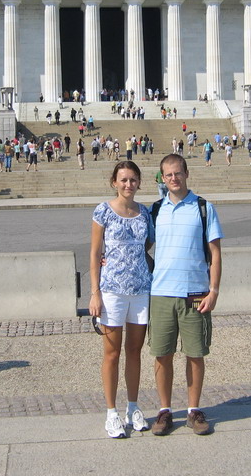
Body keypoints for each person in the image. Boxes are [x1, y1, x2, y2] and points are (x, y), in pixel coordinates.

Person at [148, 154, 223, 436]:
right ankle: (165, 410)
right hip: (162, 293)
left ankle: (193, 410)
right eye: (168, 175)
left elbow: (215, 253)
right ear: (162, 178)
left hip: (195, 293)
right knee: (162, 354)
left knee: (195, 354)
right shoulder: (155, 210)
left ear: (187, 173)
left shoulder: (204, 208)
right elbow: (138, 246)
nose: (173, 179)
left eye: (177, 173)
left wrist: (213, 290)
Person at [89, 161, 154, 438]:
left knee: (135, 352)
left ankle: (133, 406)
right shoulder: (103, 211)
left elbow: (147, 244)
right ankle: (111, 412)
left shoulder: (145, 213)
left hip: (140, 289)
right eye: (123, 180)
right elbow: (94, 253)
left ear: (139, 182)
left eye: (133, 180)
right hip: (112, 291)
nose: (129, 185)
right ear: (114, 182)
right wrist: (95, 292)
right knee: (112, 353)